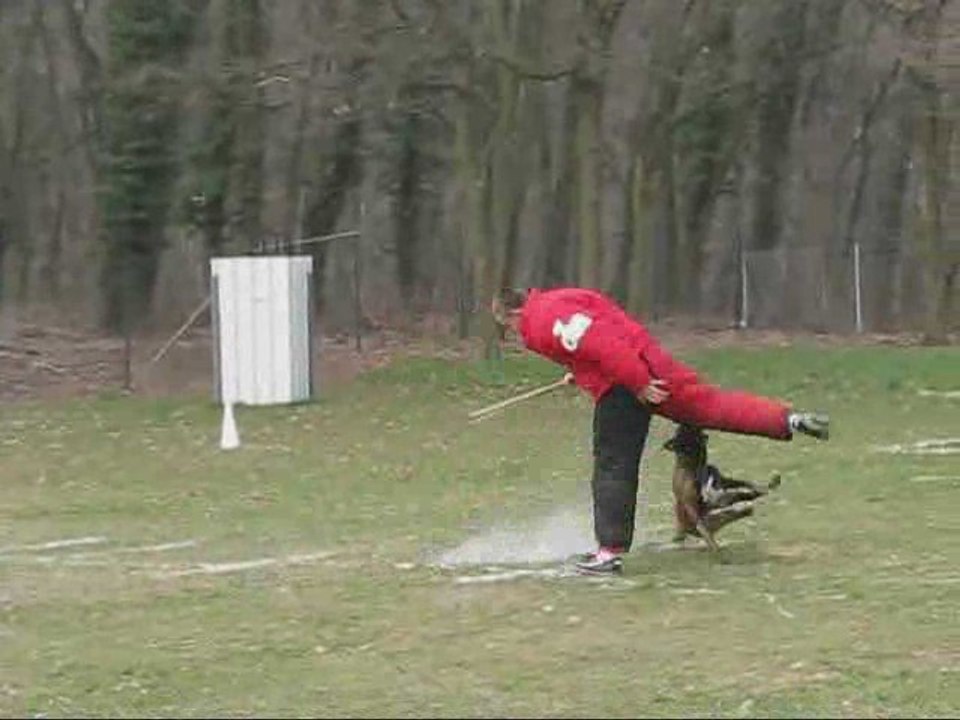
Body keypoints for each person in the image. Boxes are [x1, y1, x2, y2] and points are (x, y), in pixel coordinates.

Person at [492, 286, 829, 576]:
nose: (514, 334)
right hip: (649, 359)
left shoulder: (540, 320)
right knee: (708, 405)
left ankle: (608, 553)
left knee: (613, 464)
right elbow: (605, 328)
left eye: (508, 327)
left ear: (514, 312)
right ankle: (787, 419)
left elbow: (600, 342)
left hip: (627, 383)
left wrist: (637, 381)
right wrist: (583, 373)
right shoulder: (559, 298)